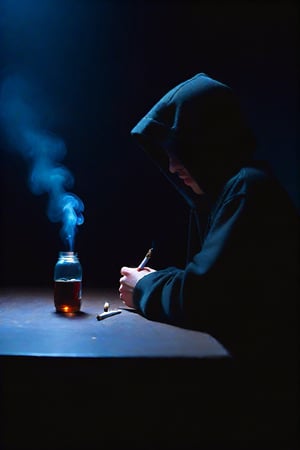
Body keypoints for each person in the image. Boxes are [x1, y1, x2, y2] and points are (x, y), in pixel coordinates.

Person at [119, 73, 298, 440]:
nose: (171, 166)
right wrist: (162, 281)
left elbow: (204, 297)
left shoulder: (247, 189)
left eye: (177, 150)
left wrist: (147, 286)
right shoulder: (227, 194)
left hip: (266, 408)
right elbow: (212, 283)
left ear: (205, 141)